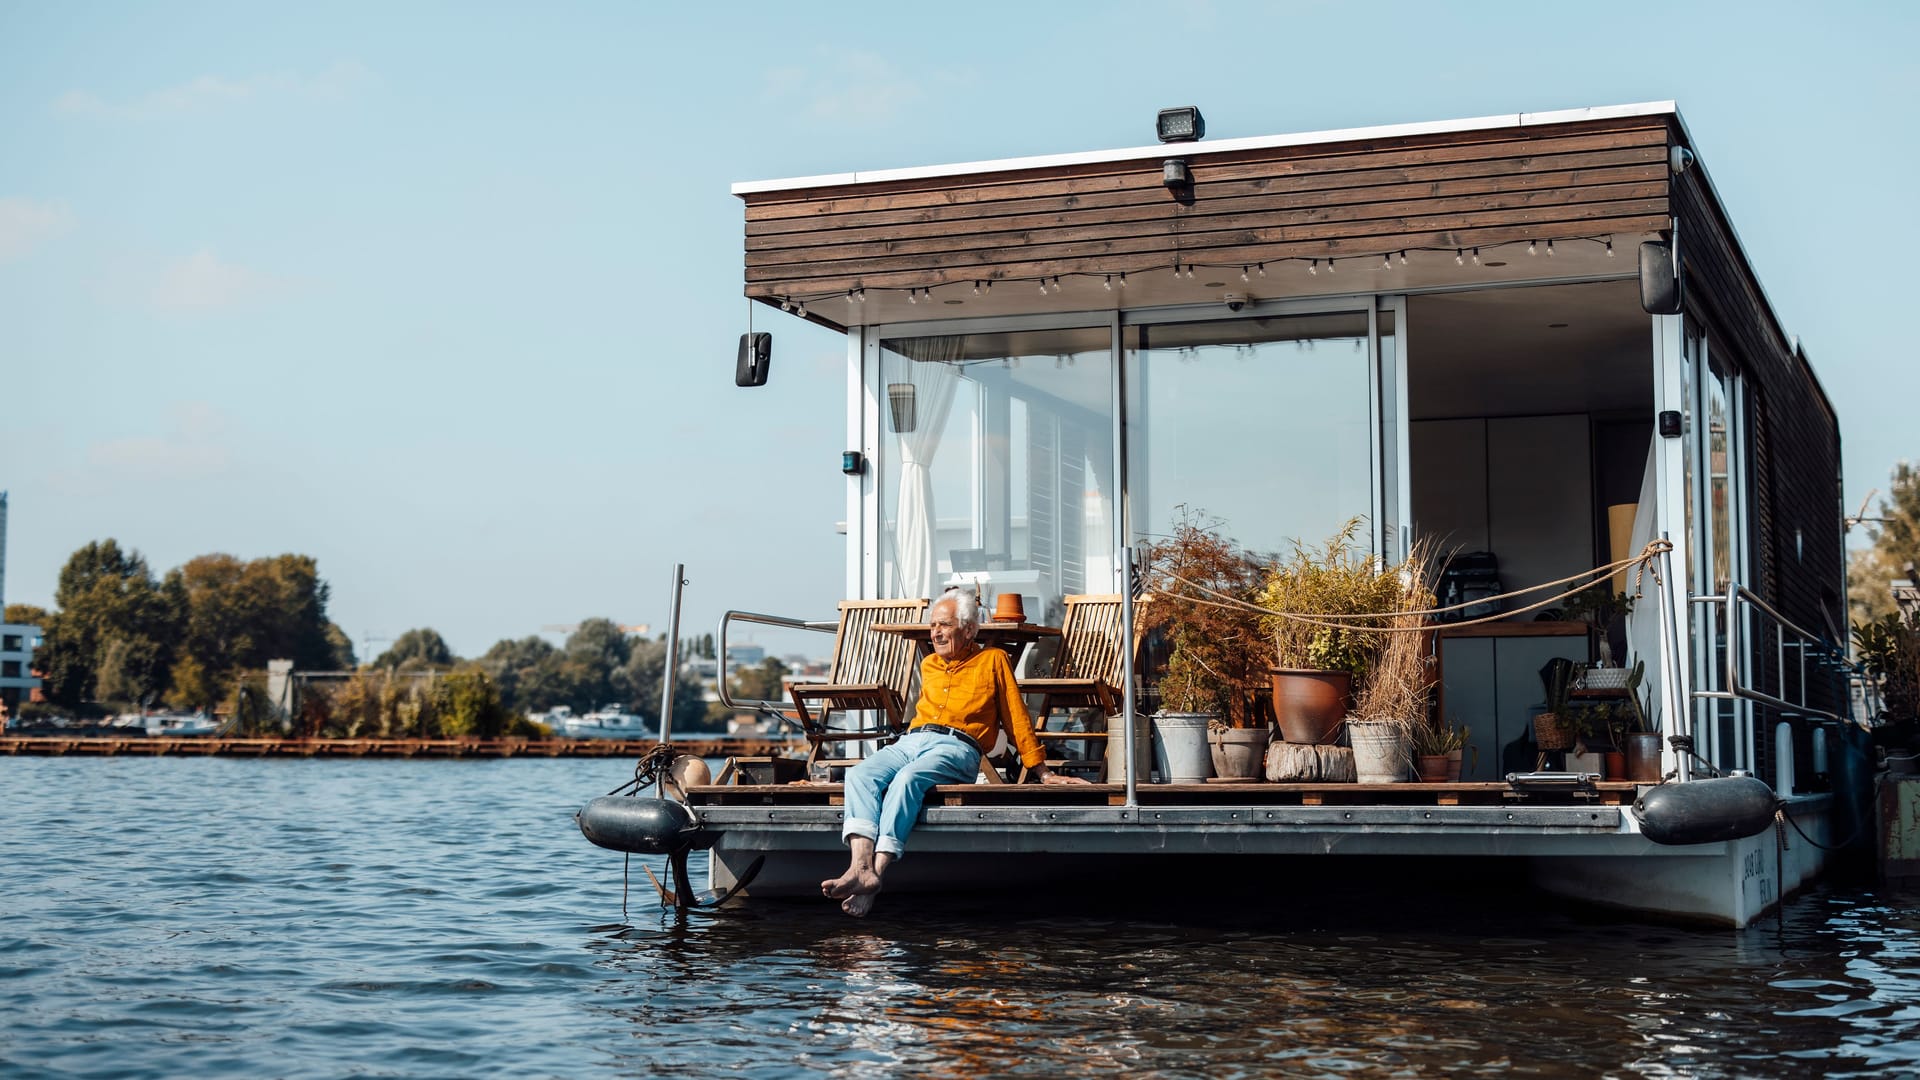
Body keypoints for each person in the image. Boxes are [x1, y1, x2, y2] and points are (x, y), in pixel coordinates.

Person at [821, 587, 1086, 916]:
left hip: (957, 745)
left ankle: (877, 870)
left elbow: (1017, 716)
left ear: (970, 629)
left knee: (908, 779)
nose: (935, 632)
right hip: (911, 739)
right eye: (933, 625)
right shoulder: (930, 664)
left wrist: (1041, 771)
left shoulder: (993, 660)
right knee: (861, 774)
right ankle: (860, 868)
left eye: (944, 625)